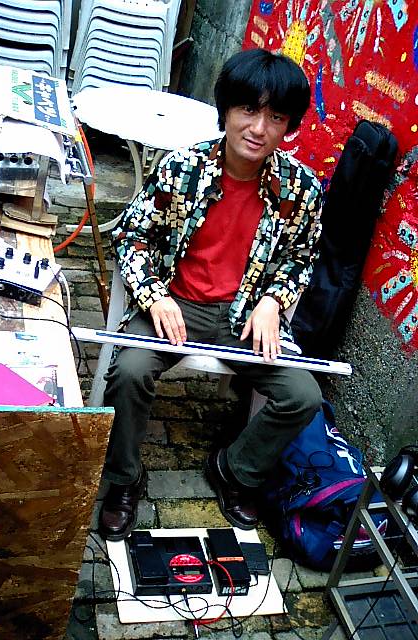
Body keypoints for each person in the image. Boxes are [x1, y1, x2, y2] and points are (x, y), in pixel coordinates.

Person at [98, 48, 323, 541]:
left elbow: (301, 257)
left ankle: (235, 470)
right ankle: (123, 478)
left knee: (303, 396)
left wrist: (274, 301)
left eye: (276, 117)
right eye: (248, 109)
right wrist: (154, 296)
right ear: (226, 109)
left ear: (289, 126)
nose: (258, 128)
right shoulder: (182, 168)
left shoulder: (301, 188)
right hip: (177, 304)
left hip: (245, 315)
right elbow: (131, 235)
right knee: (130, 371)